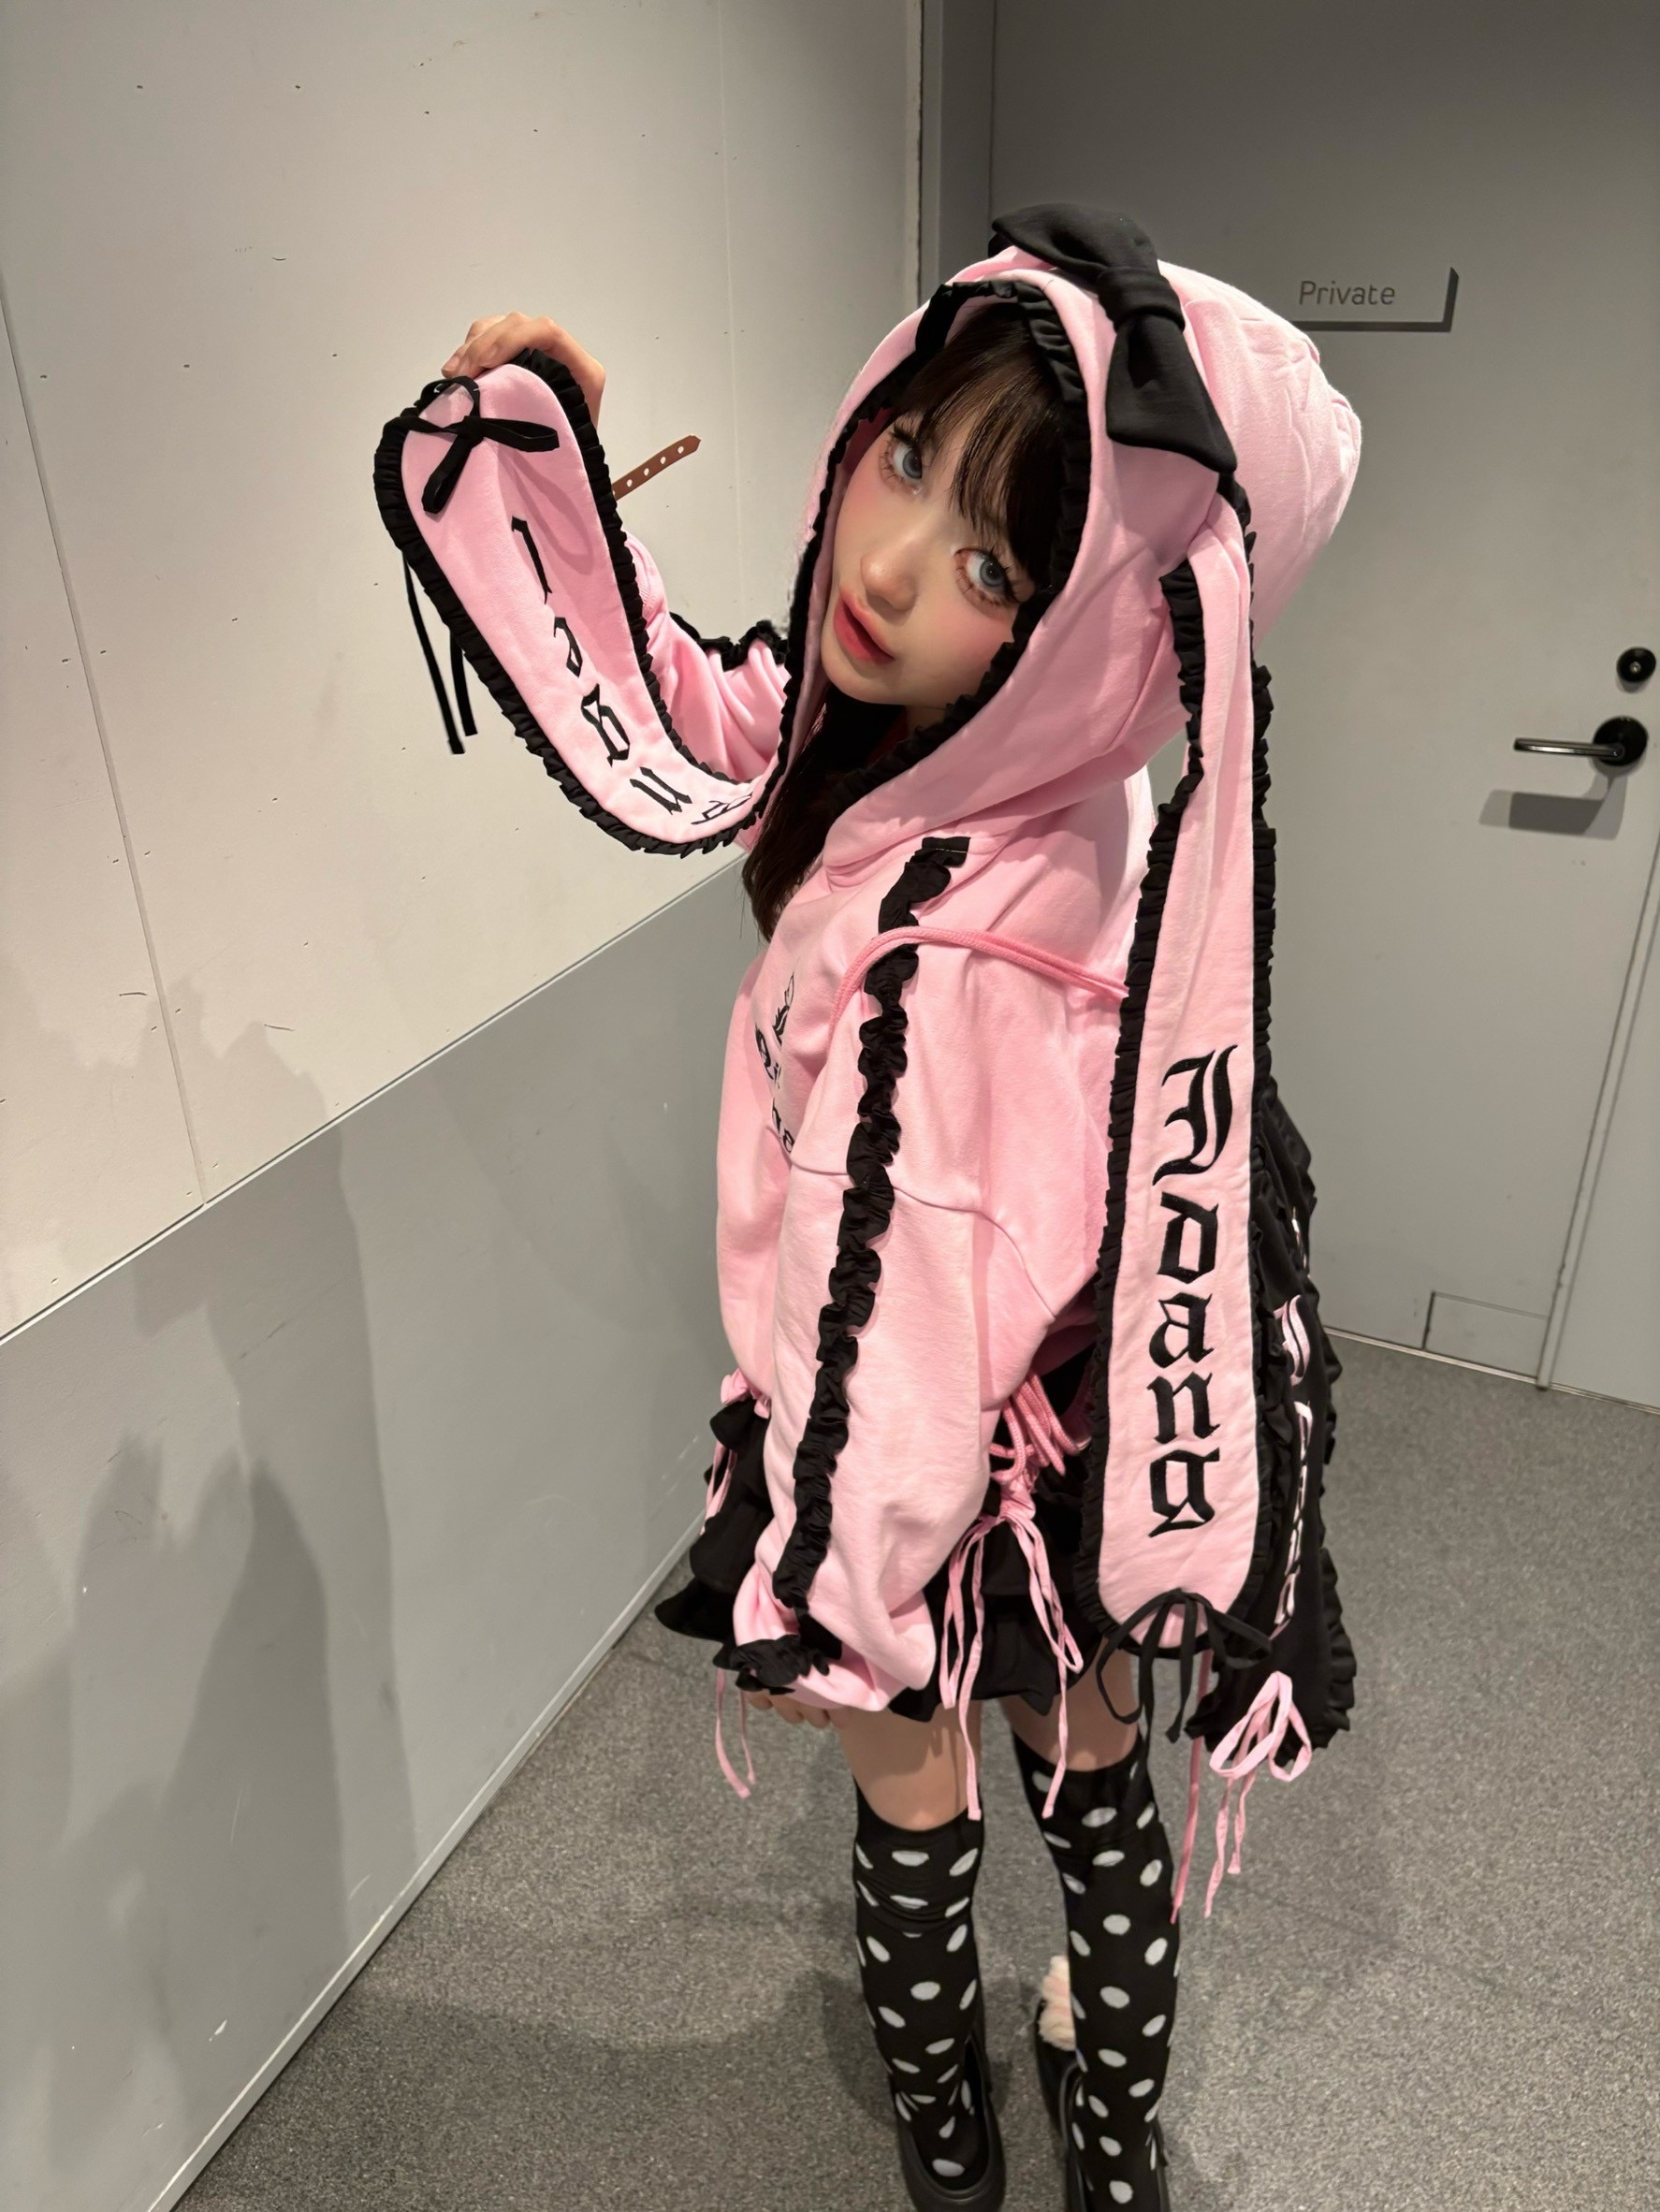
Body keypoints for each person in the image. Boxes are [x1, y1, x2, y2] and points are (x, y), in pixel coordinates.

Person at [386, 207, 1361, 2212]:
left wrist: (829, 1582)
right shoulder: (1016, 759)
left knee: (918, 1818)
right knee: (1090, 1793)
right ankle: (1108, 2150)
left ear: (1093, 627)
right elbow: (709, 714)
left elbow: (898, 1305)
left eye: (995, 565)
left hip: (915, 1451)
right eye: (905, 454)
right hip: (1079, 1419)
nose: (889, 563)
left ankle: (950, 2163)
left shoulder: (953, 949)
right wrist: (549, 466)